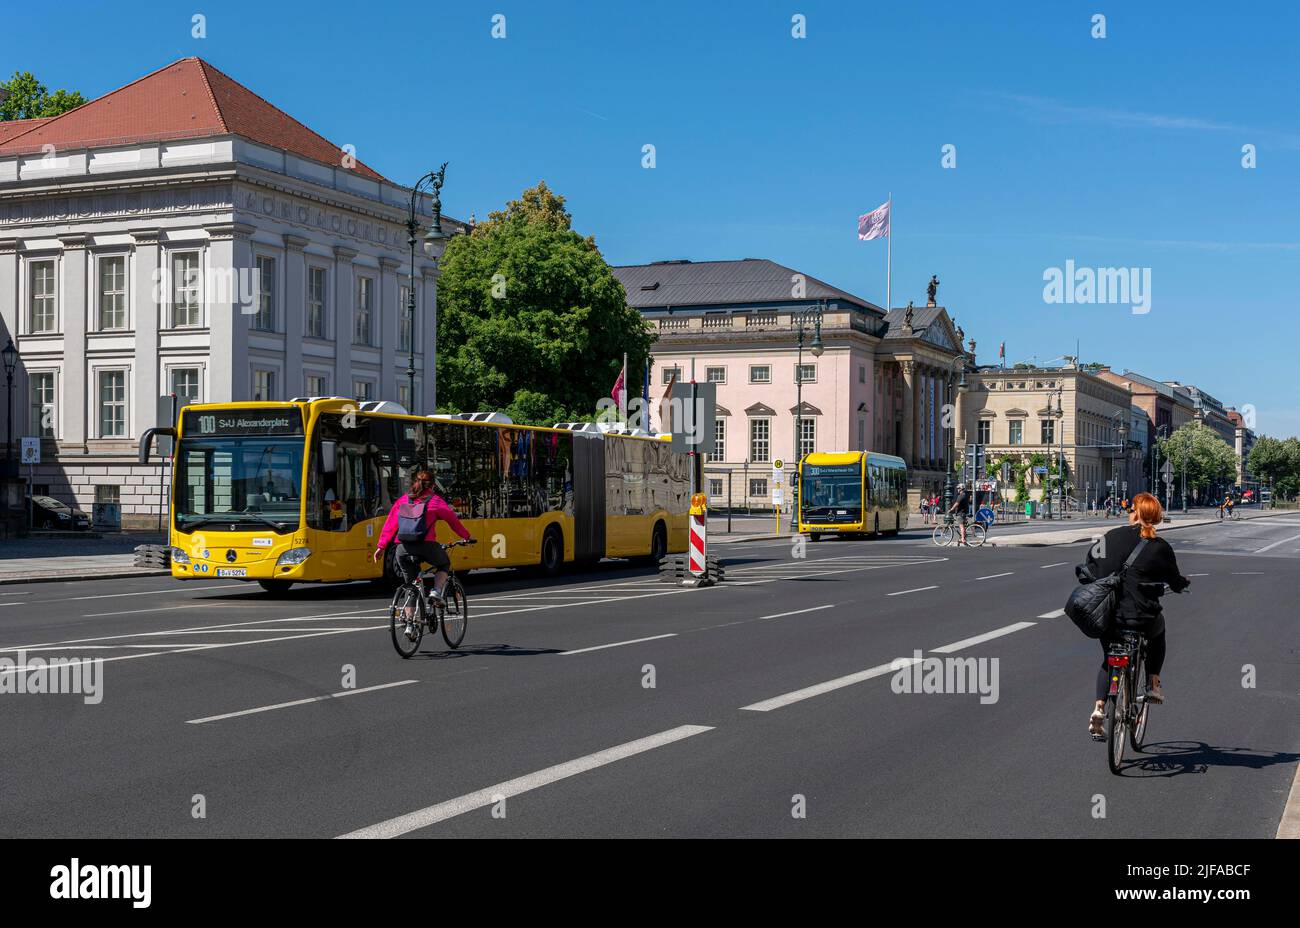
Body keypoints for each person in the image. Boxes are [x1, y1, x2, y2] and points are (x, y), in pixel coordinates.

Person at [1080, 492, 1189, 740]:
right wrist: (1182, 584)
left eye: (1132, 508)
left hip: (1111, 616)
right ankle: (1152, 682)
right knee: (1159, 630)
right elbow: (1175, 579)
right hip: (1142, 617)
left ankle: (1099, 708)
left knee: (1110, 659)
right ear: (1156, 517)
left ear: (1136, 513)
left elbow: (1090, 565)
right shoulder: (1160, 547)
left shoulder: (1112, 537)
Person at [374, 469, 474, 604]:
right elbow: (453, 522)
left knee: (411, 588)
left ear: (415, 483)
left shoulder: (403, 500)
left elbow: (390, 525)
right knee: (444, 564)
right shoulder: (435, 501)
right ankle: (436, 591)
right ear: (433, 486)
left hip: (402, 549)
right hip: (426, 546)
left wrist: (381, 547)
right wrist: (466, 536)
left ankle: (409, 624)